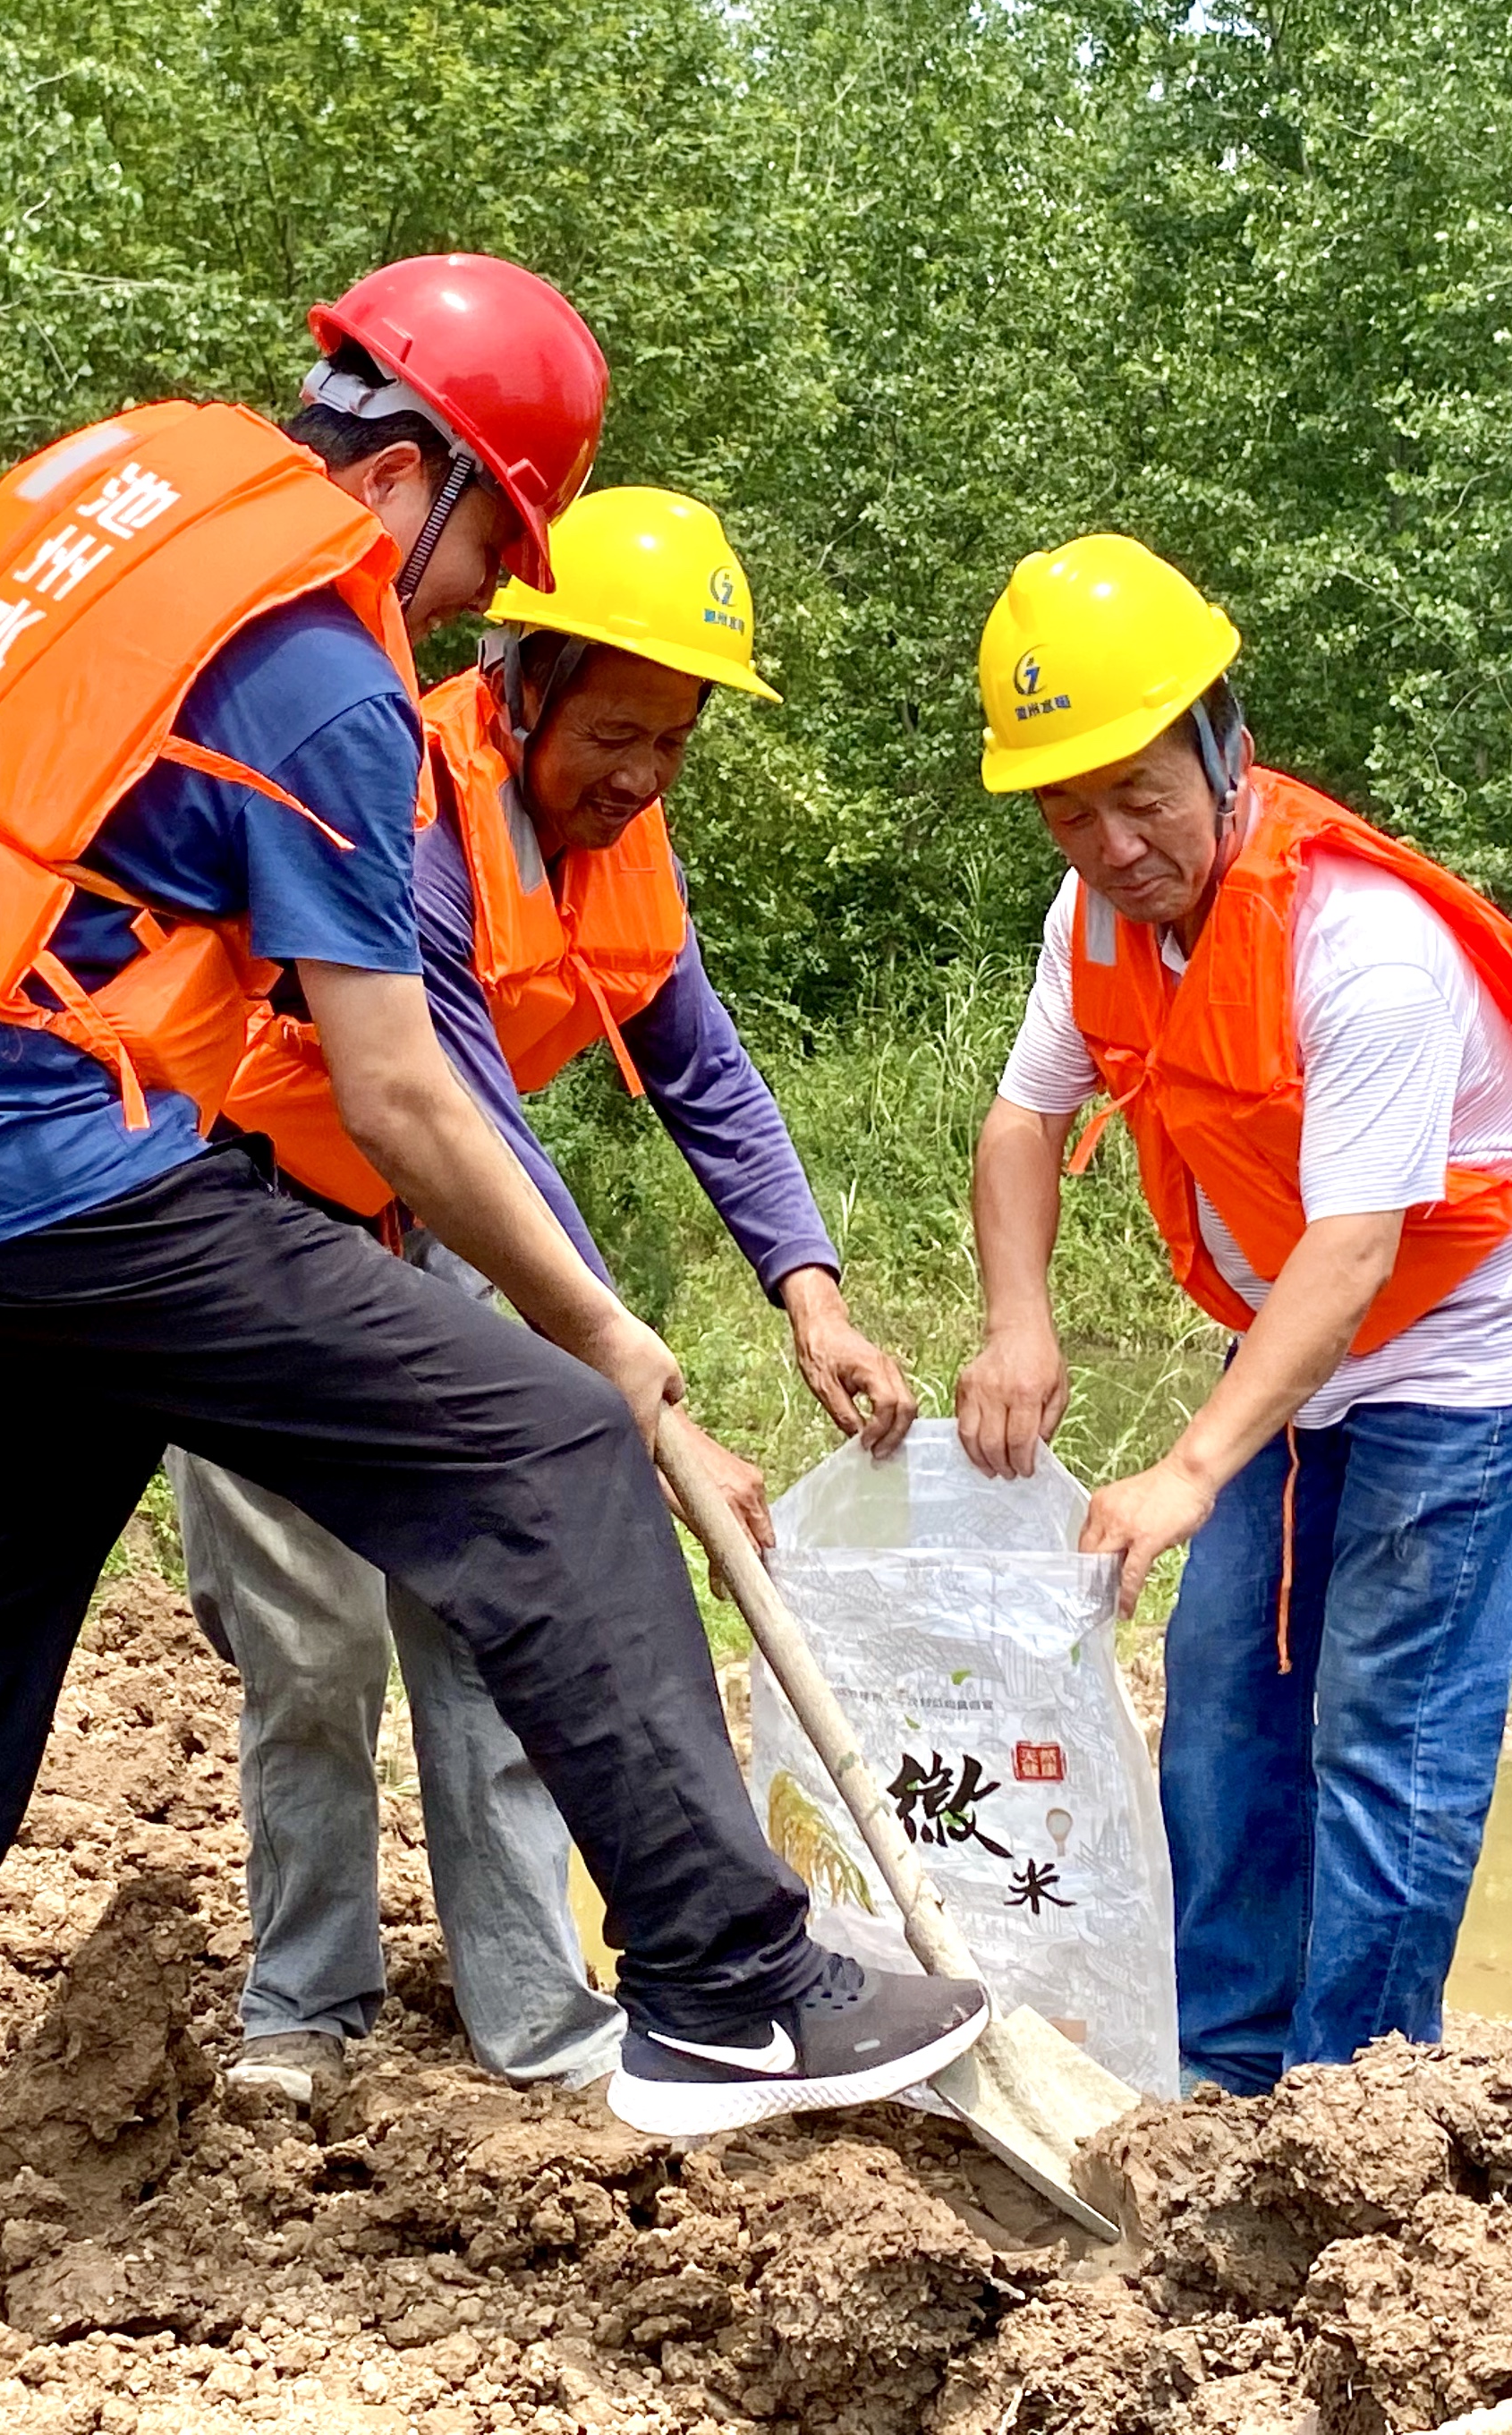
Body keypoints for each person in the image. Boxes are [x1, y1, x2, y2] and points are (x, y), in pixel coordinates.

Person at [0, 257, 986, 2361]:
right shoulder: (325, 670)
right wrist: (611, 1344)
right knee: (542, 1439)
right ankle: (729, 1981)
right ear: (438, 474)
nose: (465, 609)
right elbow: (391, 1081)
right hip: (48, 1189)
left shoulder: (117, 503)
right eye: (488, 558)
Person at [177, 486, 920, 2106]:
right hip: (262, 1232)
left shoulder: (619, 840)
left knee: (499, 1618)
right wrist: (653, 1418)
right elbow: (474, 1120)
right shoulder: (403, 808)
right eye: (615, 733)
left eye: (673, 742)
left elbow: (700, 1070)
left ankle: (535, 2010)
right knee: (310, 1645)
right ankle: (306, 2003)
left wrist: (810, 1293)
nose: (641, 775)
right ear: (520, 680)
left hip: (437, 1235)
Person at [951, 533, 1512, 2094]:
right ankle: (1224, 2079)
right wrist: (1016, 1320)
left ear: (1225, 746)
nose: (1112, 841)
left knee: (1380, 1739)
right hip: (1296, 1354)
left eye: (1142, 793)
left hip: (1461, 1350)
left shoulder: (1361, 945)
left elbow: (1349, 1250)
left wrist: (1188, 1470)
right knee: (1219, 1727)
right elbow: (1017, 1122)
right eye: (1067, 807)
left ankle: (1355, 2107)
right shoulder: (1094, 924)